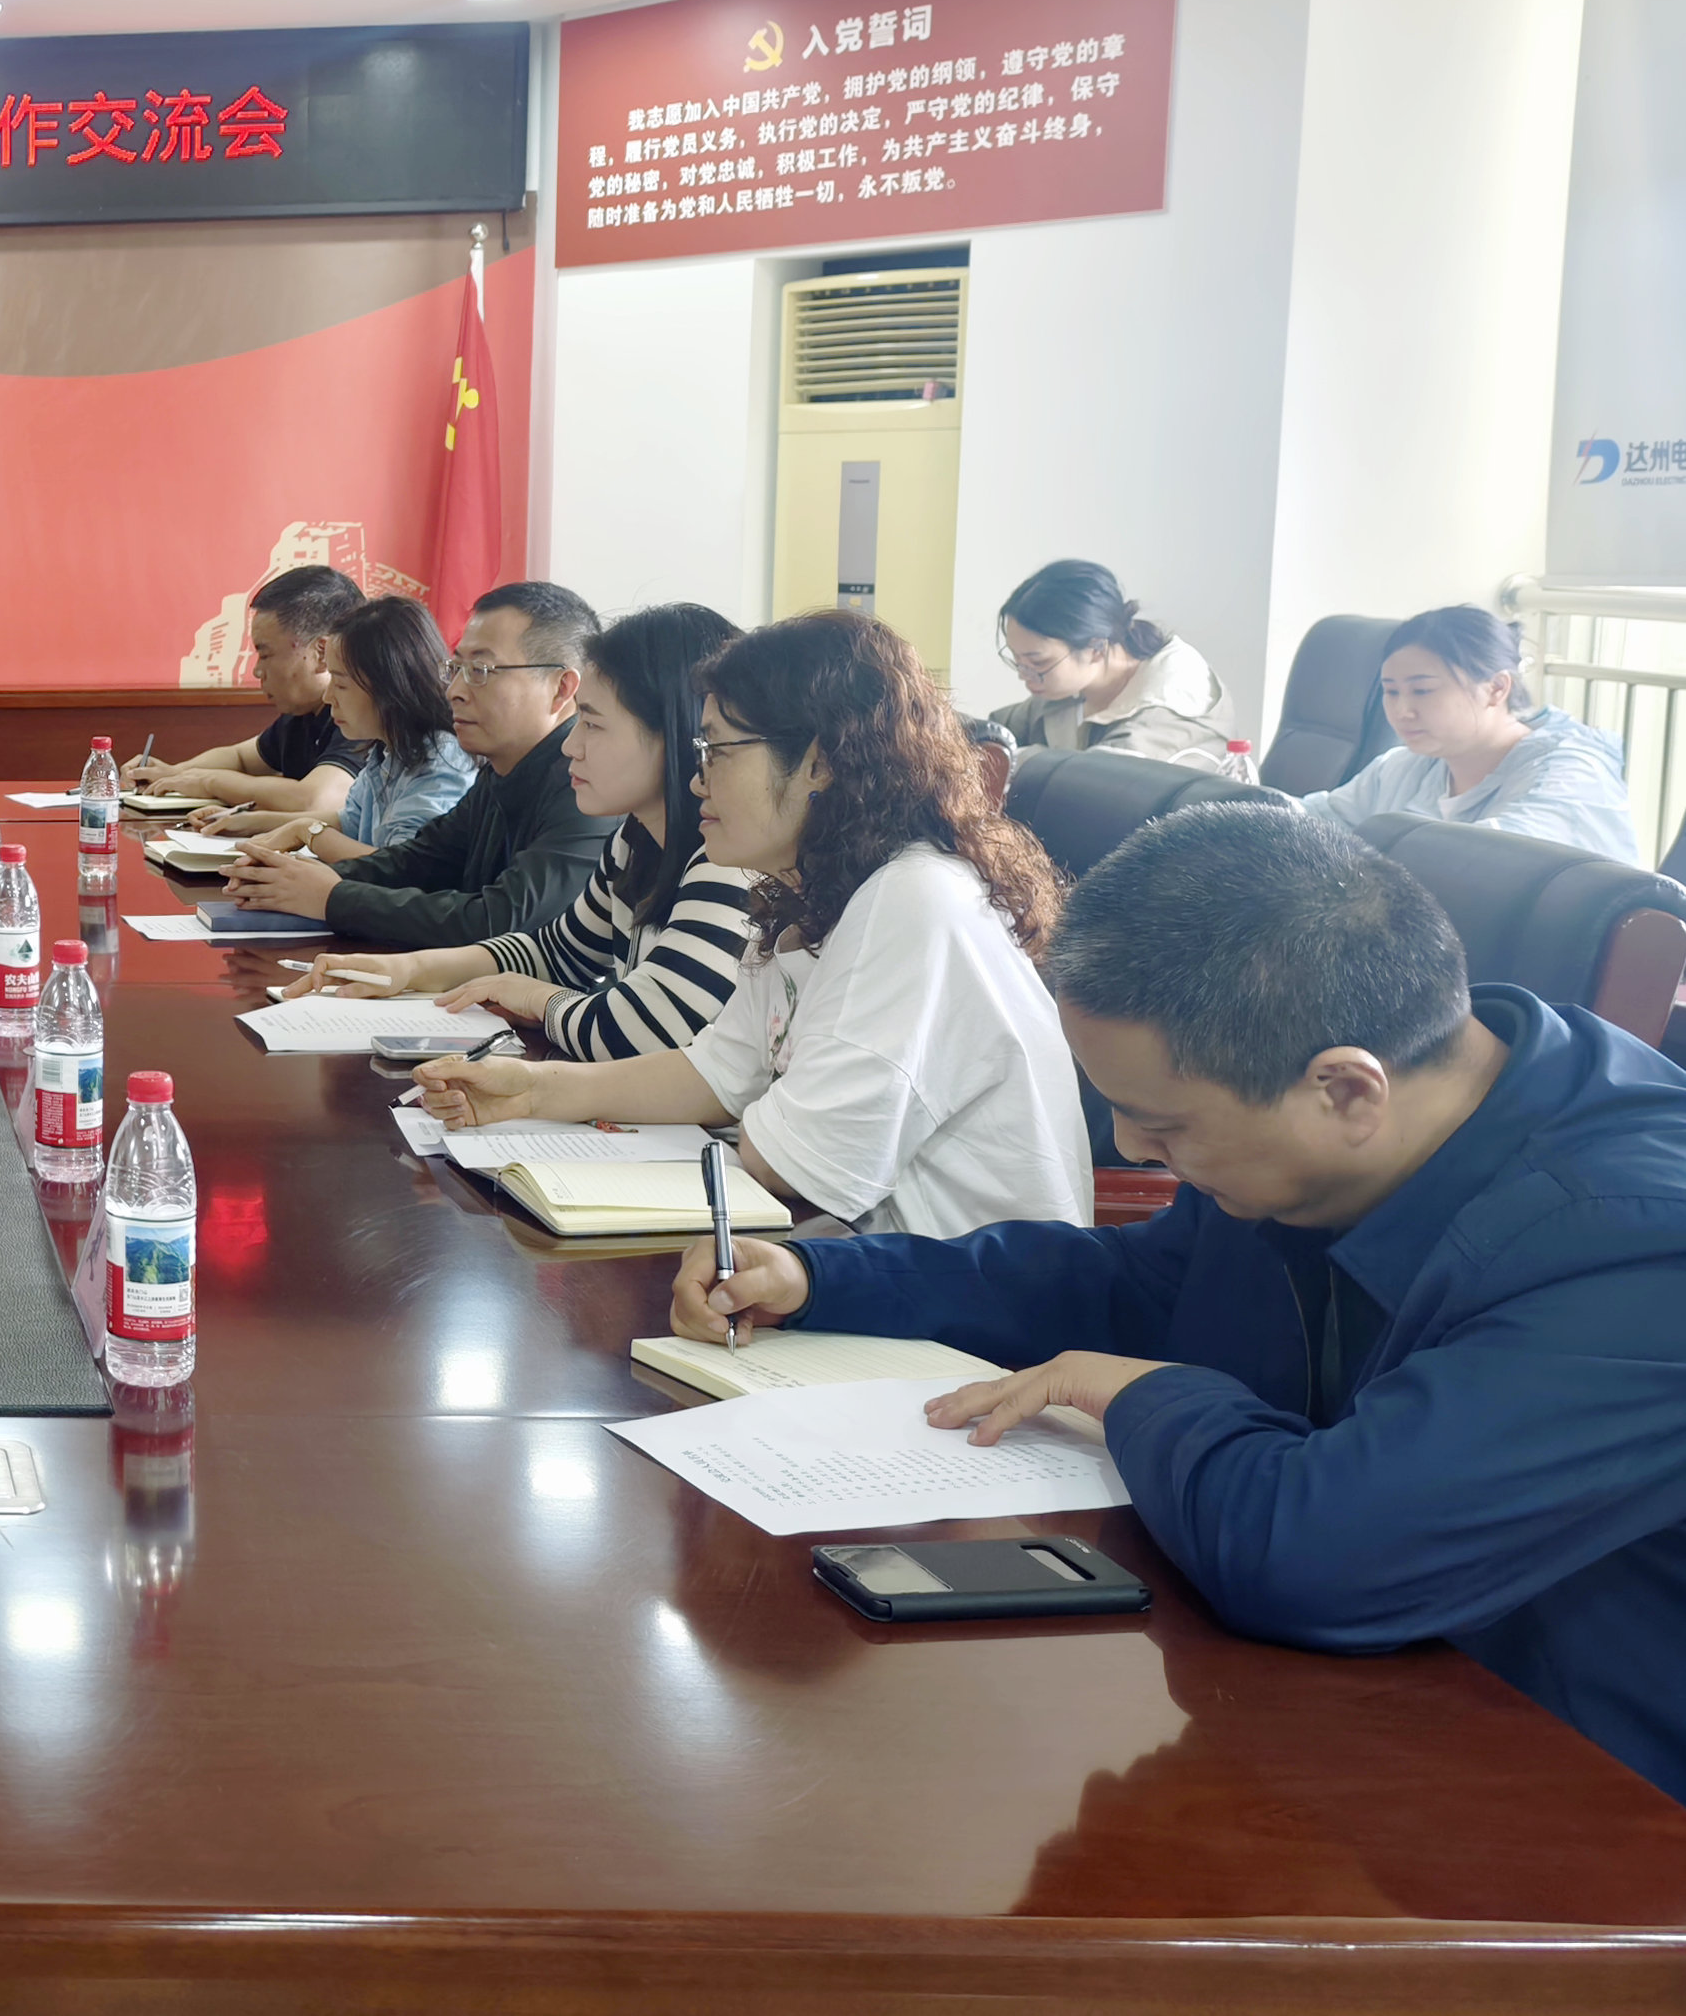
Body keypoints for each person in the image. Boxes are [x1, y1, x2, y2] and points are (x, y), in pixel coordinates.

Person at [673, 803, 1686, 1806]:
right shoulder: (1335, 1124)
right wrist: (827, 1278)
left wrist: (1136, 1394)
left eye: (1164, 1124)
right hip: (1356, 1719)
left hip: (1583, 1804)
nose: (1133, 1150)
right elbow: (1139, 1285)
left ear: (1346, 1092)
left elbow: (1312, 1553)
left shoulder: (1635, 1244)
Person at [414, 612, 1089, 1235]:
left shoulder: (910, 900)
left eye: (718, 751)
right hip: (858, 1260)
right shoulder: (811, 893)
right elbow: (717, 1072)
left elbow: (791, 1164)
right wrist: (533, 1092)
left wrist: (755, 1104)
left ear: (819, 763)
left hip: (961, 1302)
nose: (697, 781)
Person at [296, 603, 754, 1060]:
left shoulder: (728, 863)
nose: (571, 745)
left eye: (592, 724)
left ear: (674, 733)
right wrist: (407, 970)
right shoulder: (634, 841)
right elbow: (555, 953)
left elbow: (638, 1031)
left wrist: (536, 998)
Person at [218, 580, 619, 948]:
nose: (455, 691)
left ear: (561, 688)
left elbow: (499, 920)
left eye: (480, 671)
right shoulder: (500, 772)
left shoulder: (586, 786)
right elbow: (418, 862)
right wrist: (286, 879)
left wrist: (331, 896)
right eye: (456, 668)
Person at [1296, 604, 1640, 863]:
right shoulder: (1404, 768)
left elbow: (1482, 865)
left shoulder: (1572, 776)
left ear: (1496, 688)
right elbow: (1314, 820)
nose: (1402, 711)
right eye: (1391, 691)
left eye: (1422, 691)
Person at [223, 592, 473, 861]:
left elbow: (401, 866)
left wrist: (307, 832)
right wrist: (255, 821)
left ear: (390, 685)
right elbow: (349, 822)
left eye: (340, 684)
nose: (328, 697)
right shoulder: (387, 750)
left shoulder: (442, 757)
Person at [130, 564, 368, 820]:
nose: (257, 671)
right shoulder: (303, 714)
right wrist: (174, 773)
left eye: (265, 655)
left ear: (321, 653)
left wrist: (210, 782)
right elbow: (241, 757)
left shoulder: (362, 714)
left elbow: (313, 800)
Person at [990, 559, 1246, 774]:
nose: (1023, 674)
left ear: (1096, 648)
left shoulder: (1171, 707)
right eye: (1017, 660)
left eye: (1038, 662)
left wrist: (1018, 758)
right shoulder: (1073, 687)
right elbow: (991, 734)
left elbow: (1093, 785)